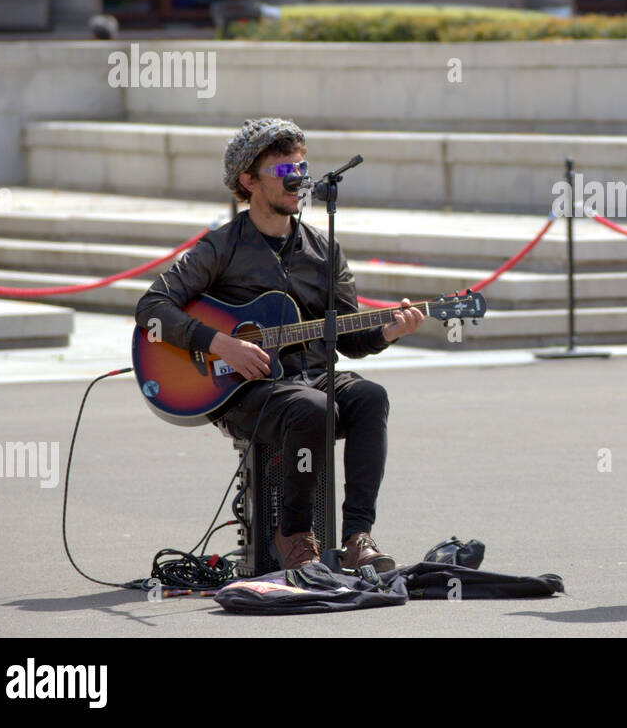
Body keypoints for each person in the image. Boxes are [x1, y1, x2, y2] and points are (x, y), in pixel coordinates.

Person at [135, 118, 425, 570]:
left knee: (370, 396)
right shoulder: (221, 247)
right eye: (285, 172)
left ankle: (357, 536)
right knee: (312, 408)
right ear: (248, 181)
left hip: (310, 377)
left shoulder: (323, 250)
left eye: (303, 170)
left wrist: (389, 331)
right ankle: (294, 536)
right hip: (244, 391)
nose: (300, 181)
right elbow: (152, 308)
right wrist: (221, 345)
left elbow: (348, 336)